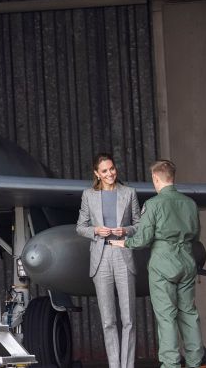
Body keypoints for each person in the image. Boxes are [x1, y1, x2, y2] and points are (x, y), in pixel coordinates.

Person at [110, 160, 204, 368]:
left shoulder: (153, 204)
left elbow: (143, 239)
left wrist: (124, 242)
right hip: (187, 260)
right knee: (188, 312)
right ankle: (195, 361)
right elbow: (196, 235)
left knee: (166, 315)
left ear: (155, 178)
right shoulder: (190, 204)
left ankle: (171, 364)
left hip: (163, 263)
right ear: (172, 177)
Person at [77, 153, 140, 368]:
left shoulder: (129, 193)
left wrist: (125, 230)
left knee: (129, 319)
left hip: (123, 254)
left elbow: (139, 226)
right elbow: (80, 227)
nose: (110, 173)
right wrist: (95, 230)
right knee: (108, 321)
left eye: (111, 168)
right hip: (101, 257)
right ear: (97, 173)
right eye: (104, 171)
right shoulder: (88, 195)